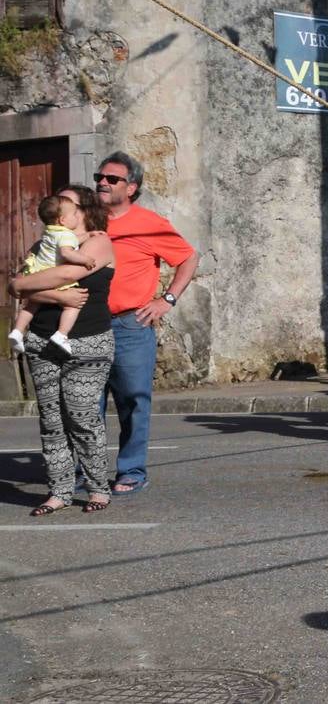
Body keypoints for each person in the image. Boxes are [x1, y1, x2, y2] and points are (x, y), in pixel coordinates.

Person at [91, 153, 198, 495]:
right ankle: (84, 471)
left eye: (112, 179)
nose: (102, 183)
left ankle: (131, 471)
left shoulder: (148, 222)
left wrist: (166, 300)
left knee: (133, 402)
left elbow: (187, 257)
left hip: (130, 325)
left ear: (132, 187)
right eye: (100, 177)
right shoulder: (87, 221)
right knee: (85, 404)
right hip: (87, 325)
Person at [9, 186, 115, 515]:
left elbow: (70, 272)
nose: (60, 206)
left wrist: (35, 284)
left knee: (82, 416)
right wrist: (59, 297)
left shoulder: (98, 241)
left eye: (67, 202)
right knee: (51, 421)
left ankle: (98, 488)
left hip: (89, 341)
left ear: (82, 210)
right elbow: (16, 285)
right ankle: (59, 491)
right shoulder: (44, 244)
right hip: (41, 342)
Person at [9, 194, 96, 356]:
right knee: (72, 306)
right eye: (74, 214)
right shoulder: (66, 235)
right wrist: (85, 259)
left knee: (31, 305)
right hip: (52, 275)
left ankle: (18, 331)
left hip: (37, 271)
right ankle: (62, 334)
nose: (77, 216)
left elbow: (70, 240)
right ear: (63, 220)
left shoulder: (49, 232)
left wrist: (88, 235)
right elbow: (67, 252)